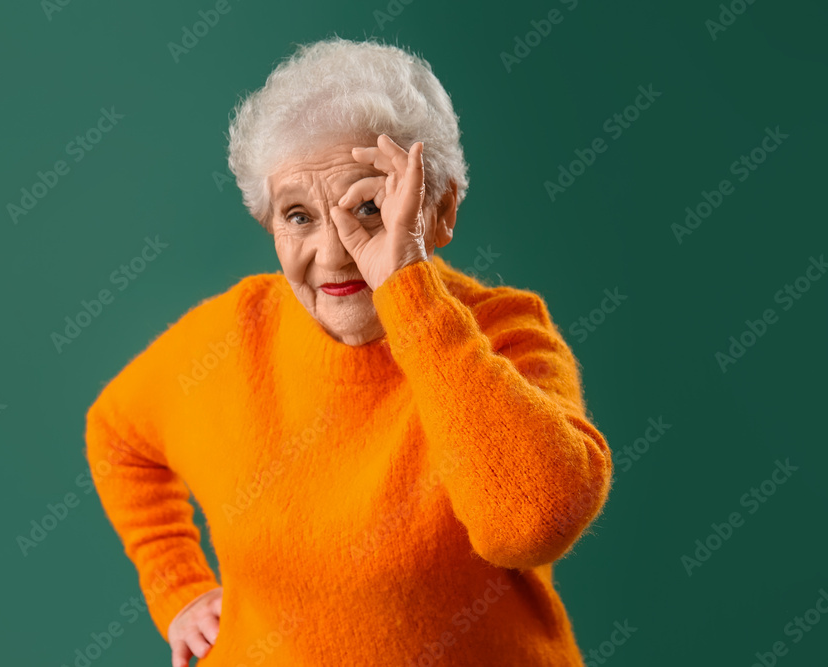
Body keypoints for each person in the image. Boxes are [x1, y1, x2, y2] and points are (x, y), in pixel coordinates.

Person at [84, 36, 613, 667]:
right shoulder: (229, 335)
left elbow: (530, 523)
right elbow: (115, 433)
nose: (335, 253)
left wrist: (408, 291)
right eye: (299, 216)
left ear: (439, 209)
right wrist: (178, 589)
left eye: (369, 207)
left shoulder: (503, 330)